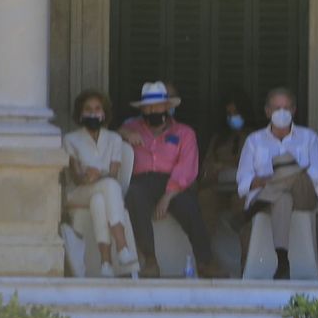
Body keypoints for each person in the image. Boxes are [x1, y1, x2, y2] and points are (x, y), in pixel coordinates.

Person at [118, 81, 225, 278]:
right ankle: (150, 260)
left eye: (157, 106)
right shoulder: (132, 127)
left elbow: (187, 168)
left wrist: (167, 197)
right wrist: (124, 133)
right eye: (148, 107)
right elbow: (112, 134)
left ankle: (205, 261)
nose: (152, 110)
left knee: (190, 206)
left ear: (167, 107)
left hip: (174, 183)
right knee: (134, 196)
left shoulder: (184, 133)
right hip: (142, 181)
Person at [236, 88, 318, 280]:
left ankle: (270, 190)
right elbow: (243, 181)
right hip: (275, 198)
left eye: (286, 108)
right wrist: (264, 179)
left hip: (303, 195)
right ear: (268, 111)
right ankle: (282, 259)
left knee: (287, 165)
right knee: (283, 197)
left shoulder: (309, 137)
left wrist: (287, 172)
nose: (282, 112)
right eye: (277, 108)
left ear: (294, 110)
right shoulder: (254, 141)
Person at [62, 89, 138, 277]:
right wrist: (87, 177)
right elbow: (76, 177)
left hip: (102, 190)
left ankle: (106, 264)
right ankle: (122, 247)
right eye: (88, 109)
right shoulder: (70, 139)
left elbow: (113, 173)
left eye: (97, 109)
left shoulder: (114, 139)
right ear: (80, 114)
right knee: (110, 188)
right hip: (77, 194)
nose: (93, 113)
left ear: (104, 114)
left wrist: (97, 175)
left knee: (99, 200)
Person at [199, 91, 252, 247]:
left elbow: (254, 166)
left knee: (241, 203)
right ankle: (207, 257)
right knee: (205, 197)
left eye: (235, 112)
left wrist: (226, 166)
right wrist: (212, 169)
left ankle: (245, 258)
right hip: (218, 187)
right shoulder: (219, 138)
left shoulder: (254, 137)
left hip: (241, 189)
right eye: (229, 114)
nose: (232, 117)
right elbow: (206, 166)